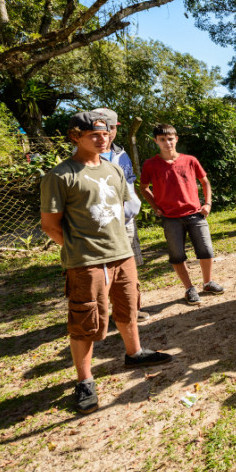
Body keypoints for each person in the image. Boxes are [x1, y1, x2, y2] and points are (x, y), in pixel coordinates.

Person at [40, 111, 172, 415]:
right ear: (75, 137)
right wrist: (78, 250)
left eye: (106, 133)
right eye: (94, 135)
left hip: (122, 253)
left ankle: (134, 353)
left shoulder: (113, 169)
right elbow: (50, 225)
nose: (103, 138)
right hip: (86, 262)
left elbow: (124, 207)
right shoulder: (61, 175)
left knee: (128, 306)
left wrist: (118, 247)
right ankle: (85, 381)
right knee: (85, 321)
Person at [139, 124, 225, 305]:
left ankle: (208, 283)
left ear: (176, 139)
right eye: (162, 139)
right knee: (177, 255)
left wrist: (207, 203)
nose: (167, 143)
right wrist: (155, 206)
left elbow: (205, 181)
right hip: (170, 218)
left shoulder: (190, 160)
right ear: (156, 141)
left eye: (170, 139)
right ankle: (189, 289)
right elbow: (144, 187)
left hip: (195, 213)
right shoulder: (150, 164)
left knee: (206, 250)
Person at [91, 107, 149, 321]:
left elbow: (129, 181)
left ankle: (131, 309)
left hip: (126, 219)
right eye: (106, 127)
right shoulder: (86, 156)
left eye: (112, 127)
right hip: (102, 222)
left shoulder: (120, 152)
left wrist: (133, 205)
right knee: (105, 269)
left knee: (129, 265)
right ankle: (103, 313)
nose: (110, 132)